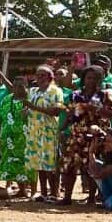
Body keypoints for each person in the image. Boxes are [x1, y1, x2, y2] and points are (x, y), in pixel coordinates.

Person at [59, 67, 112, 205]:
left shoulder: (105, 95)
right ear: (83, 79)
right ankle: (67, 197)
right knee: (69, 165)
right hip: (76, 135)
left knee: (92, 166)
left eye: (95, 78)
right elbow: (70, 113)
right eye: (88, 78)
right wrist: (62, 129)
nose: (91, 81)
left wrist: (95, 109)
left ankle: (91, 198)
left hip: (96, 136)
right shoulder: (75, 94)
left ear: (100, 80)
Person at [22, 65, 67, 202]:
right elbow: (28, 109)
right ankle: (43, 192)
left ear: (50, 77)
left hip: (48, 131)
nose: (40, 77)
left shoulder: (56, 91)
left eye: (43, 75)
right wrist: (26, 111)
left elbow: (56, 111)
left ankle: (54, 193)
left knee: (50, 164)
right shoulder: (33, 91)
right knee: (38, 164)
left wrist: (33, 107)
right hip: (34, 131)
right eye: (38, 75)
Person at [0, 69, 29, 198]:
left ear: (26, 87)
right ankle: (20, 190)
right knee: (11, 162)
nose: (17, 89)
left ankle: (27, 190)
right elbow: (1, 119)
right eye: (15, 86)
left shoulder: (31, 99)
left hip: (25, 138)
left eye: (21, 86)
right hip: (8, 139)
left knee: (24, 164)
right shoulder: (6, 99)